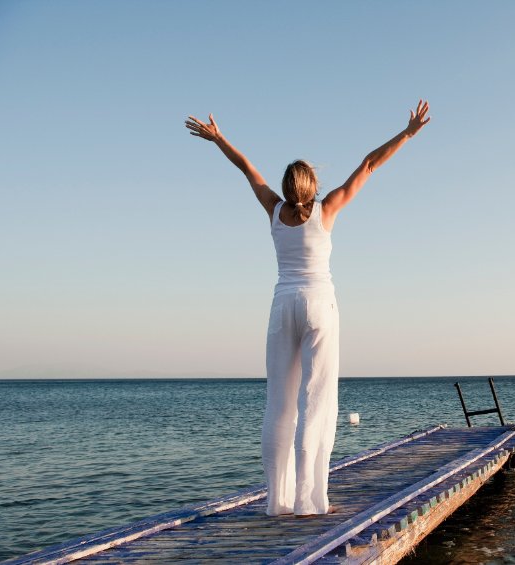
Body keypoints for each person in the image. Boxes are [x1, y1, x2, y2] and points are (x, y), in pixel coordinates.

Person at [184, 100, 431, 516]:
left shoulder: (274, 209)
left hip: (283, 307)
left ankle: (276, 502)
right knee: (315, 401)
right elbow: (369, 164)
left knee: (279, 403)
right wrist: (407, 133)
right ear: (312, 186)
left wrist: (218, 137)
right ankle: (309, 501)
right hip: (318, 304)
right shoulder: (326, 209)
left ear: (286, 187)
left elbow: (246, 167)